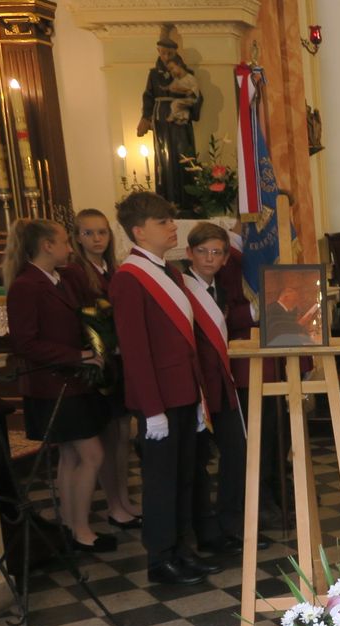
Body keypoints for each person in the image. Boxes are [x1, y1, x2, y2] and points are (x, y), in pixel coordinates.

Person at [110, 191, 219, 586]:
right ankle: (160, 558)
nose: (173, 227)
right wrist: (152, 410)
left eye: (171, 220)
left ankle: (182, 549)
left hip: (183, 392)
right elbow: (136, 352)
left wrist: (196, 398)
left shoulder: (170, 271)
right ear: (139, 231)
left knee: (185, 476)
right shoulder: (129, 278)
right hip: (158, 400)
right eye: (163, 222)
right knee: (160, 482)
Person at [3, 218, 114, 554]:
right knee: (92, 454)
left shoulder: (61, 279)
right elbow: (25, 343)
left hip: (72, 383)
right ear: (47, 245)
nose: (70, 247)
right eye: (65, 241)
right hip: (52, 385)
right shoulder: (26, 285)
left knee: (71, 456)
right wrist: (77, 356)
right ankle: (81, 530)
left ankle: (70, 525)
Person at [61, 209, 142, 531]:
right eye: (89, 233)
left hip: (120, 362)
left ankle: (123, 497)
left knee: (123, 434)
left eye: (102, 232)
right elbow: (80, 318)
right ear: (77, 238)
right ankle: (114, 504)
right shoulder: (75, 273)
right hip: (99, 364)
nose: (97, 239)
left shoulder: (114, 269)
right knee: (108, 436)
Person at [183, 223, 249, 554]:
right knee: (197, 460)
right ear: (189, 254)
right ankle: (204, 530)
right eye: (203, 251)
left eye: (216, 252)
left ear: (225, 258)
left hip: (223, 384)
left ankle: (231, 524)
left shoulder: (221, 290)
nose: (209, 258)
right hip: (196, 387)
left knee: (237, 451)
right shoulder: (182, 289)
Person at [136, 35, 200, 213]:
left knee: (183, 153)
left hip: (180, 118)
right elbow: (148, 96)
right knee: (165, 158)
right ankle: (168, 199)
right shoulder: (154, 74)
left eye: (169, 54)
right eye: (162, 53)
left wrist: (191, 105)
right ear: (158, 52)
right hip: (162, 118)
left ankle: (189, 199)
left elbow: (196, 95)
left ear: (175, 53)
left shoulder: (187, 73)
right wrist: (146, 117)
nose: (165, 57)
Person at [262, 281, 320, 346]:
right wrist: (301, 323)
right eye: (294, 300)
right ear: (285, 298)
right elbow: (279, 330)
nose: (296, 303)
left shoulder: (287, 311)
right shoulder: (273, 308)